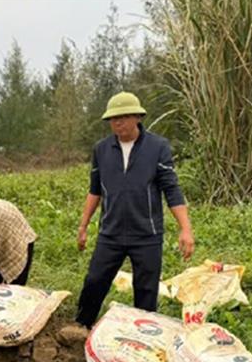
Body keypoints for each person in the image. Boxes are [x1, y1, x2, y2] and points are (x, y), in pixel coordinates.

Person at [75, 92, 194, 328]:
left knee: (146, 290)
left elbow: (172, 190)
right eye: (113, 119)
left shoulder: (157, 147)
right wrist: (83, 226)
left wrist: (185, 229)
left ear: (138, 117)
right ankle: (81, 326)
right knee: (95, 281)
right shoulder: (102, 149)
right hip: (111, 233)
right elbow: (95, 191)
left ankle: (142, 336)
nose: (117, 123)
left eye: (123, 117)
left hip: (146, 234)